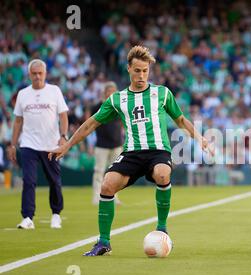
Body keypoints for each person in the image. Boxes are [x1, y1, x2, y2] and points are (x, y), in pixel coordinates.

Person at [49, 45, 213, 256]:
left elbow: (180, 119)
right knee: (107, 185)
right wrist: (67, 144)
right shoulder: (117, 99)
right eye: (137, 70)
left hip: (158, 150)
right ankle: (104, 242)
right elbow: (91, 124)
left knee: (163, 173)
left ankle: (162, 228)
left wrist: (199, 137)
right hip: (132, 153)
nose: (142, 75)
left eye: (145, 70)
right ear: (129, 69)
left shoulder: (161, 94)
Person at [7, 59, 69, 229]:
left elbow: (63, 116)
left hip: (51, 144)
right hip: (28, 144)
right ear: (29, 74)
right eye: (34, 73)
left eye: (40, 73)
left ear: (45, 74)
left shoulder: (54, 91)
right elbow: (18, 121)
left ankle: (56, 214)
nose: (37, 76)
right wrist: (13, 145)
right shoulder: (23, 94)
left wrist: (63, 136)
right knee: (28, 180)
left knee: (54, 181)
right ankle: (27, 217)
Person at [88, 81, 124, 205]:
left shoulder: (119, 107)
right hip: (102, 145)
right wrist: (91, 144)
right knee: (99, 171)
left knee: (116, 172)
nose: (111, 93)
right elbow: (90, 125)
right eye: (109, 91)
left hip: (116, 144)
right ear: (104, 92)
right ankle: (96, 197)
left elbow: (122, 125)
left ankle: (114, 197)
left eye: (113, 91)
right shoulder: (97, 107)